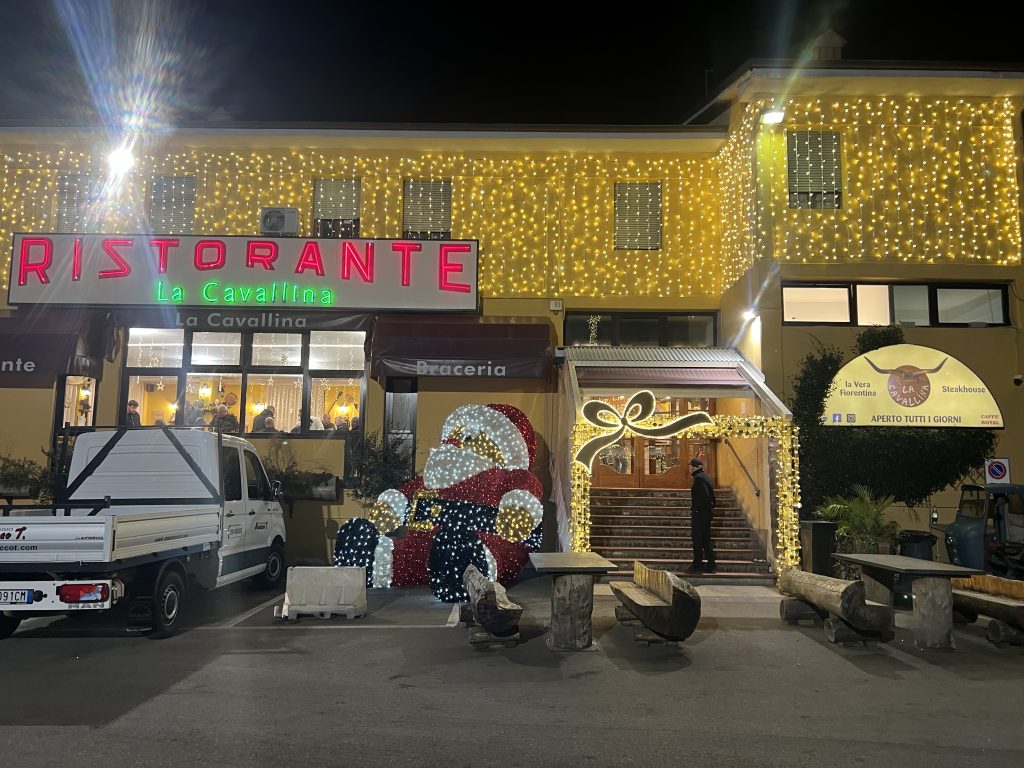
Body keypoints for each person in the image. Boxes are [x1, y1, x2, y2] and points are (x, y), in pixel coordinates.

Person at [687, 457, 716, 574]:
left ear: (696, 467)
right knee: (706, 540)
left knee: (698, 540)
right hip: (706, 513)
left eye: (691, 467)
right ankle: (711, 565)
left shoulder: (699, 479)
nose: (690, 469)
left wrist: (697, 510)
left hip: (701, 514)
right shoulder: (705, 477)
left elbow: (704, 497)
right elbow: (711, 498)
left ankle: (697, 565)